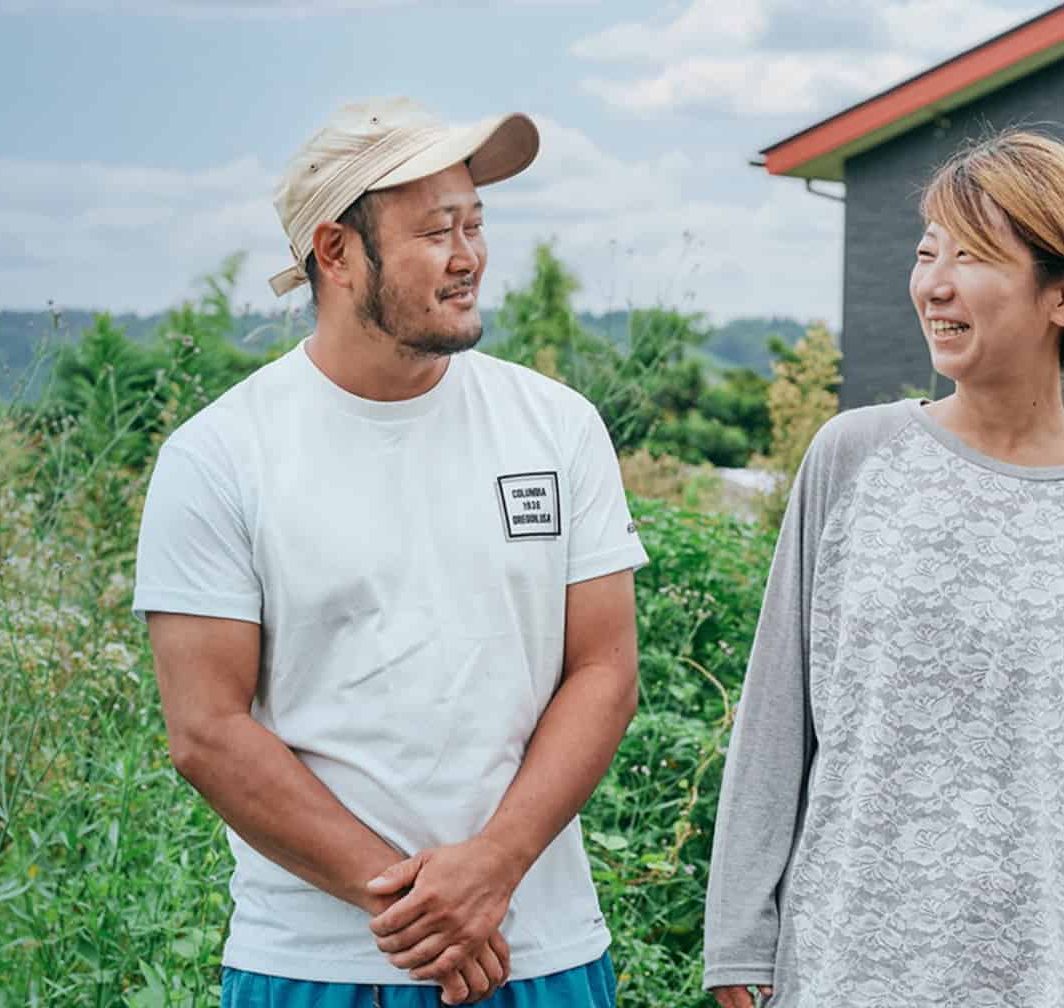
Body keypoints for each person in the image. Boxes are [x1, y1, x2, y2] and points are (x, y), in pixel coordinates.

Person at [134, 97, 645, 1008]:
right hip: (318, 964)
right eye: (435, 231)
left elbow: (603, 669)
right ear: (335, 252)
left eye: (476, 224)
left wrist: (494, 867)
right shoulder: (219, 457)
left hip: (543, 949)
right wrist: (421, 908)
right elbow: (207, 731)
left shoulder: (556, 428)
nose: (469, 257)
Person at [701, 130, 1064, 1007]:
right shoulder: (854, 455)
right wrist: (741, 940)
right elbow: (778, 711)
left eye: (973, 256)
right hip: (838, 966)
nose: (935, 283)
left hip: (1035, 976)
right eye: (928, 251)